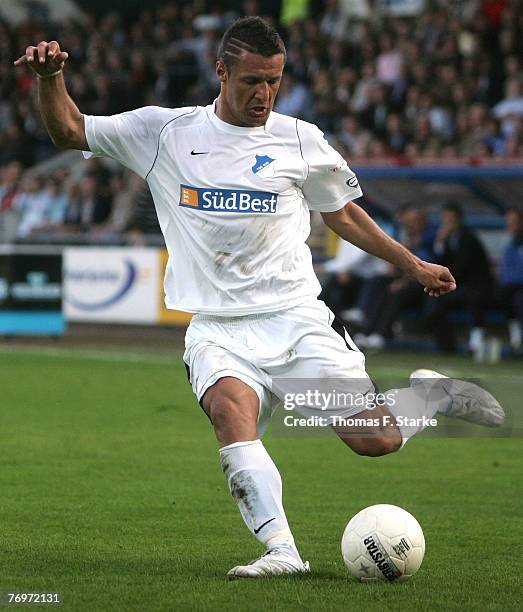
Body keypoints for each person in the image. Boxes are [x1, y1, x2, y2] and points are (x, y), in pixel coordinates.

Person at [15, 16, 504, 580]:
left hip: (295, 319)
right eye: (252, 81)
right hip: (218, 327)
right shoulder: (164, 133)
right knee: (229, 410)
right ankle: (282, 552)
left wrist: (414, 264)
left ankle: (434, 395)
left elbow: (341, 213)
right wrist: (50, 80)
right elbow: (70, 130)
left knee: (375, 439)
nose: (264, 94)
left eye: (274, 80)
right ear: (221, 72)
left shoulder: (300, 138)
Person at [426, 203, 494, 353]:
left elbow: (461, 269)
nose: (447, 224)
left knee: (475, 299)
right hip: (458, 286)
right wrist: (439, 243)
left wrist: (443, 281)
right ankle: (446, 346)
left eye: (451, 220)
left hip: (476, 286)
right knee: (434, 301)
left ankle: (475, 343)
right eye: (445, 220)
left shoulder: (468, 239)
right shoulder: (446, 241)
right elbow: (438, 263)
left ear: (459, 220)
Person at [498, 208, 523, 354]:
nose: (510, 225)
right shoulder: (511, 245)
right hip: (513, 288)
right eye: (509, 222)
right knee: (506, 295)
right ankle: (516, 339)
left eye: (514, 222)